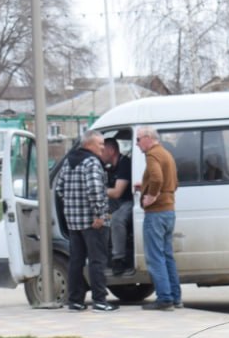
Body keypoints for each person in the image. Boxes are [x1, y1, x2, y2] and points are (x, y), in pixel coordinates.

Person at [54, 130, 117, 312]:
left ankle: (75, 301)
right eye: (100, 144)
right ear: (89, 144)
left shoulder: (69, 161)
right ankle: (100, 301)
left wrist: (72, 208)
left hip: (74, 223)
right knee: (97, 261)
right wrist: (99, 215)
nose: (103, 148)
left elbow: (59, 189)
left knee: (76, 262)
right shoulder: (91, 162)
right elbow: (95, 190)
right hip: (93, 223)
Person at [134, 126, 181, 310]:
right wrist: (144, 186)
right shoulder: (166, 154)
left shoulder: (152, 155)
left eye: (138, 139)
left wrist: (151, 196)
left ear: (148, 138)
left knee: (155, 257)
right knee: (168, 256)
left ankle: (164, 298)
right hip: (169, 211)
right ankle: (176, 297)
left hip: (156, 213)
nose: (137, 144)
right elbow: (173, 183)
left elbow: (157, 178)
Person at [103, 137, 134, 276]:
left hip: (129, 201)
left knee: (117, 219)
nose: (100, 153)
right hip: (117, 202)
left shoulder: (124, 164)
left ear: (111, 150)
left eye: (102, 150)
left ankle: (118, 259)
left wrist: (97, 190)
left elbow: (116, 192)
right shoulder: (110, 167)